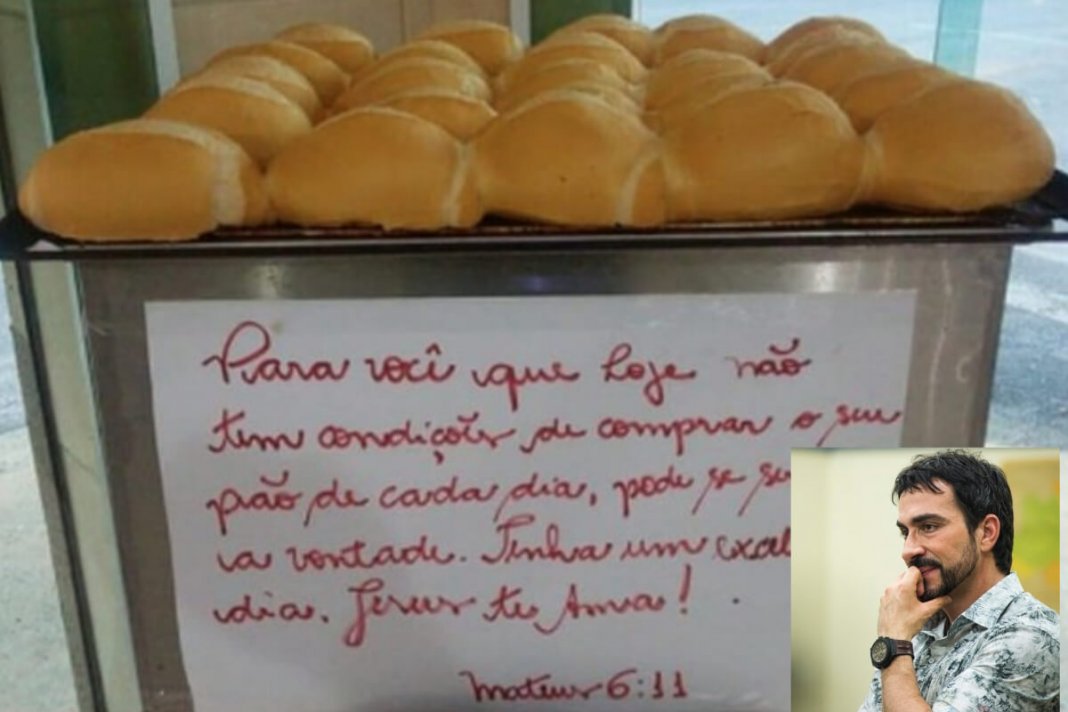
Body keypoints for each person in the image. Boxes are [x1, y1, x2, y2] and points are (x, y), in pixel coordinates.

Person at [858, 450, 1059, 711]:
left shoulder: (1033, 636)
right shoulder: (916, 630)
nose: (908, 550)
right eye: (905, 532)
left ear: (986, 533)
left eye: (928, 527)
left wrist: (894, 643)